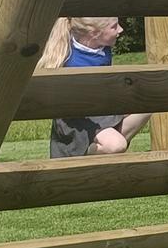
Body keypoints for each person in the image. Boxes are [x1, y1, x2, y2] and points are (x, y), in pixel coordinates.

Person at [39, 16, 152, 158]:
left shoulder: (102, 47)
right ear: (93, 33)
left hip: (102, 109)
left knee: (147, 105)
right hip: (79, 120)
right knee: (116, 145)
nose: (120, 30)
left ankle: (105, 150)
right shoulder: (71, 61)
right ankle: (79, 156)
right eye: (114, 26)